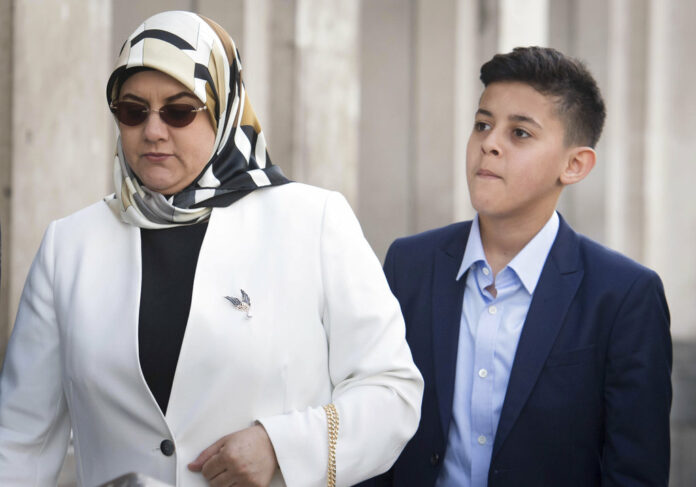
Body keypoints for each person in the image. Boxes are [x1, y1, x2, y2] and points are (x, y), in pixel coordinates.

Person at [0, 11, 423, 487]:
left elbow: (393, 394)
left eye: (179, 111)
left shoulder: (313, 222)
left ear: (223, 108)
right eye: (133, 111)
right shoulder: (70, 246)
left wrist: (281, 447)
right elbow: (20, 440)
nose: (154, 130)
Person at [359, 46, 672, 486]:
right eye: (482, 125)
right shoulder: (410, 264)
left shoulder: (623, 296)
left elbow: (635, 471)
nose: (489, 143)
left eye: (520, 133)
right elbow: (372, 424)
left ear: (575, 164)